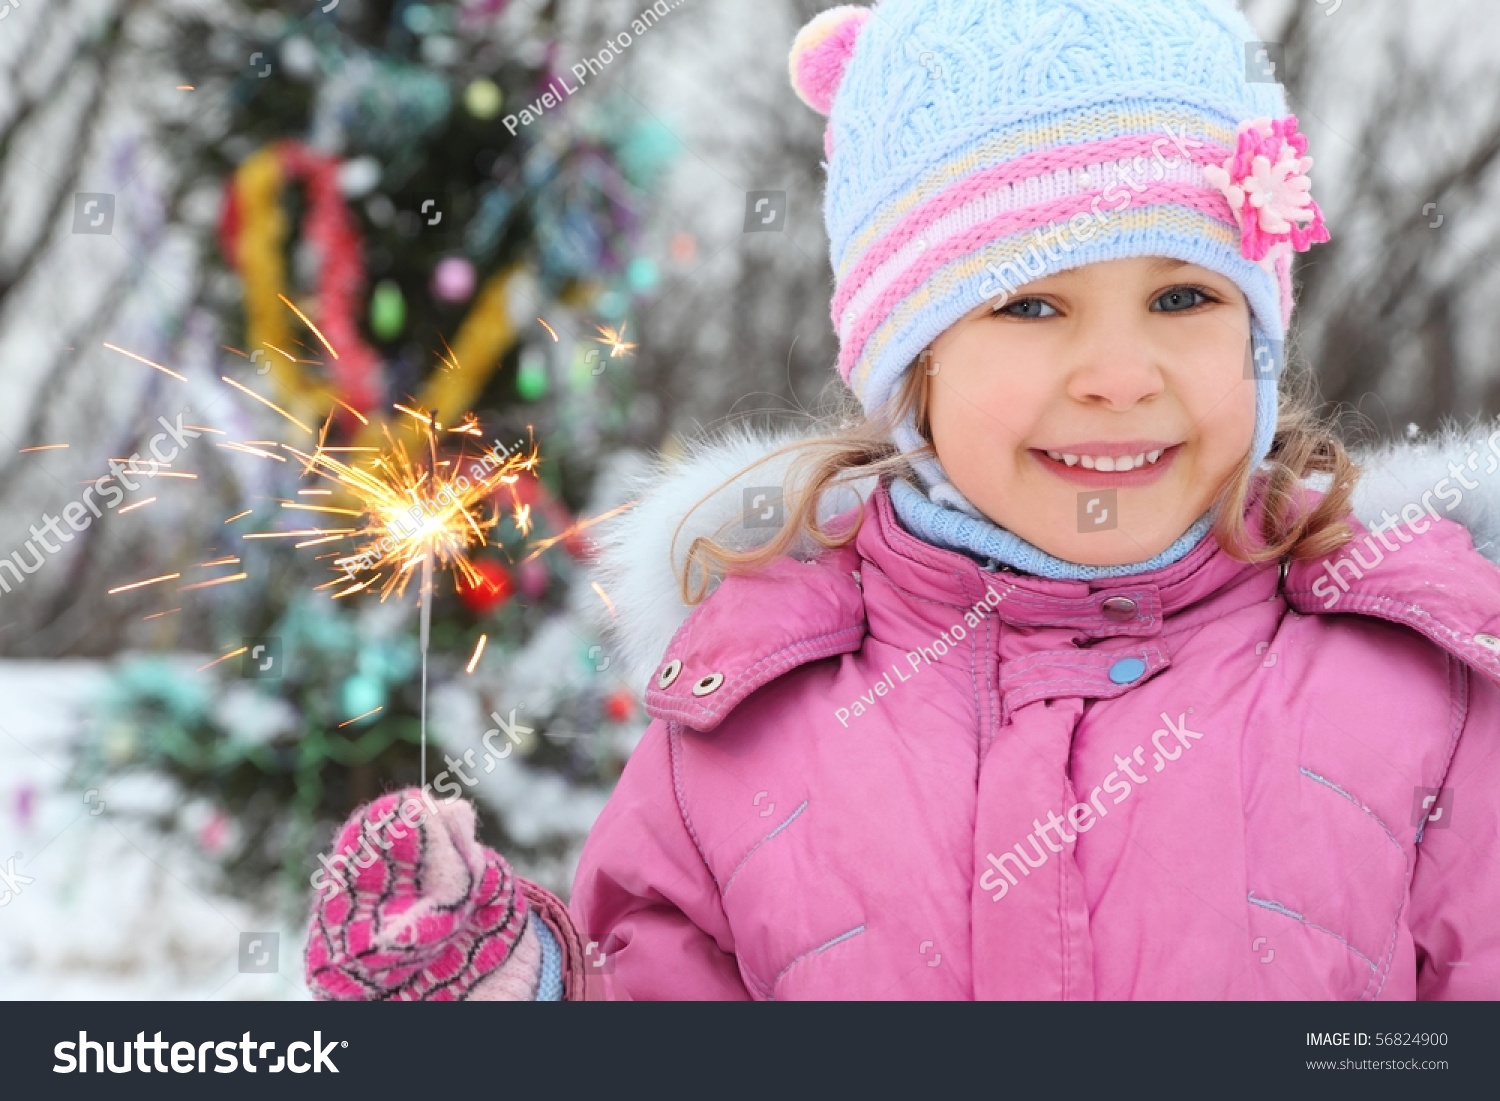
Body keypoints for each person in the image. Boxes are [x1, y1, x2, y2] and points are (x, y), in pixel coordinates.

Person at [302, 0, 1500, 1000]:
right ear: (910, 367)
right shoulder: (749, 721)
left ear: (1261, 335)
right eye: (1031, 305)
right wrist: (518, 997)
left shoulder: (1426, 695)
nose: (1123, 375)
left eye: (1185, 297)